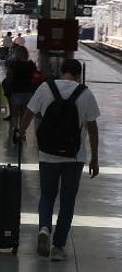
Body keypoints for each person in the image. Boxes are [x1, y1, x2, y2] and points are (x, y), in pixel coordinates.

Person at [17, 58, 100, 261]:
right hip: (74, 156)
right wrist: (94, 158)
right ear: (78, 74)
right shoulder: (85, 93)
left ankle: (44, 228)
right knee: (67, 200)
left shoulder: (46, 87)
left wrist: (20, 132)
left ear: (61, 71)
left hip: (48, 154)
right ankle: (58, 247)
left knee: (47, 196)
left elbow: (28, 113)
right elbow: (92, 129)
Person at [3, 44, 39, 140]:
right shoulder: (31, 64)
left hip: (16, 92)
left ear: (17, 54)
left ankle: (15, 129)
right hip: (27, 92)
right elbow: (35, 76)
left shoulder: (13, 64)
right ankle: (22, 132)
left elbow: (8, 75)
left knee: (15, 114)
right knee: (24, 113)